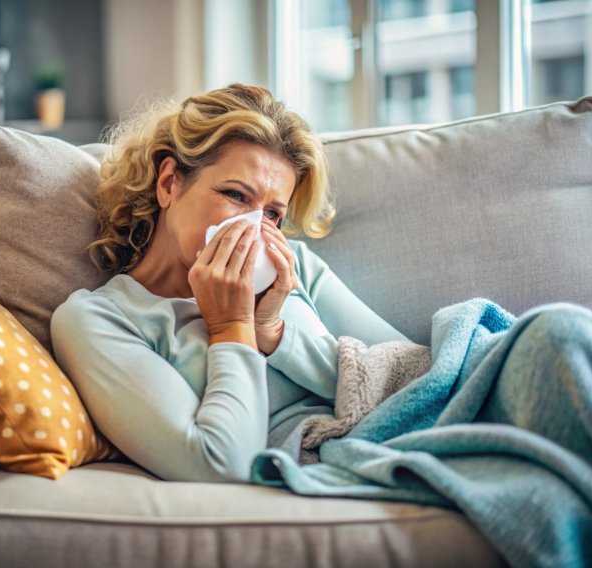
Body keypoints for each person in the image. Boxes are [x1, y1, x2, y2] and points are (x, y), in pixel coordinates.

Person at [50, 83, 408, 482]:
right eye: (236, 195)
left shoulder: (292, 268)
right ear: (169, 183)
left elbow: (407, 374)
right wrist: (231, 329)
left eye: (272, 214)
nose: (253, 226)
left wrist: (274, 333)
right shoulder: (99, 319)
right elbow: (222, 465)